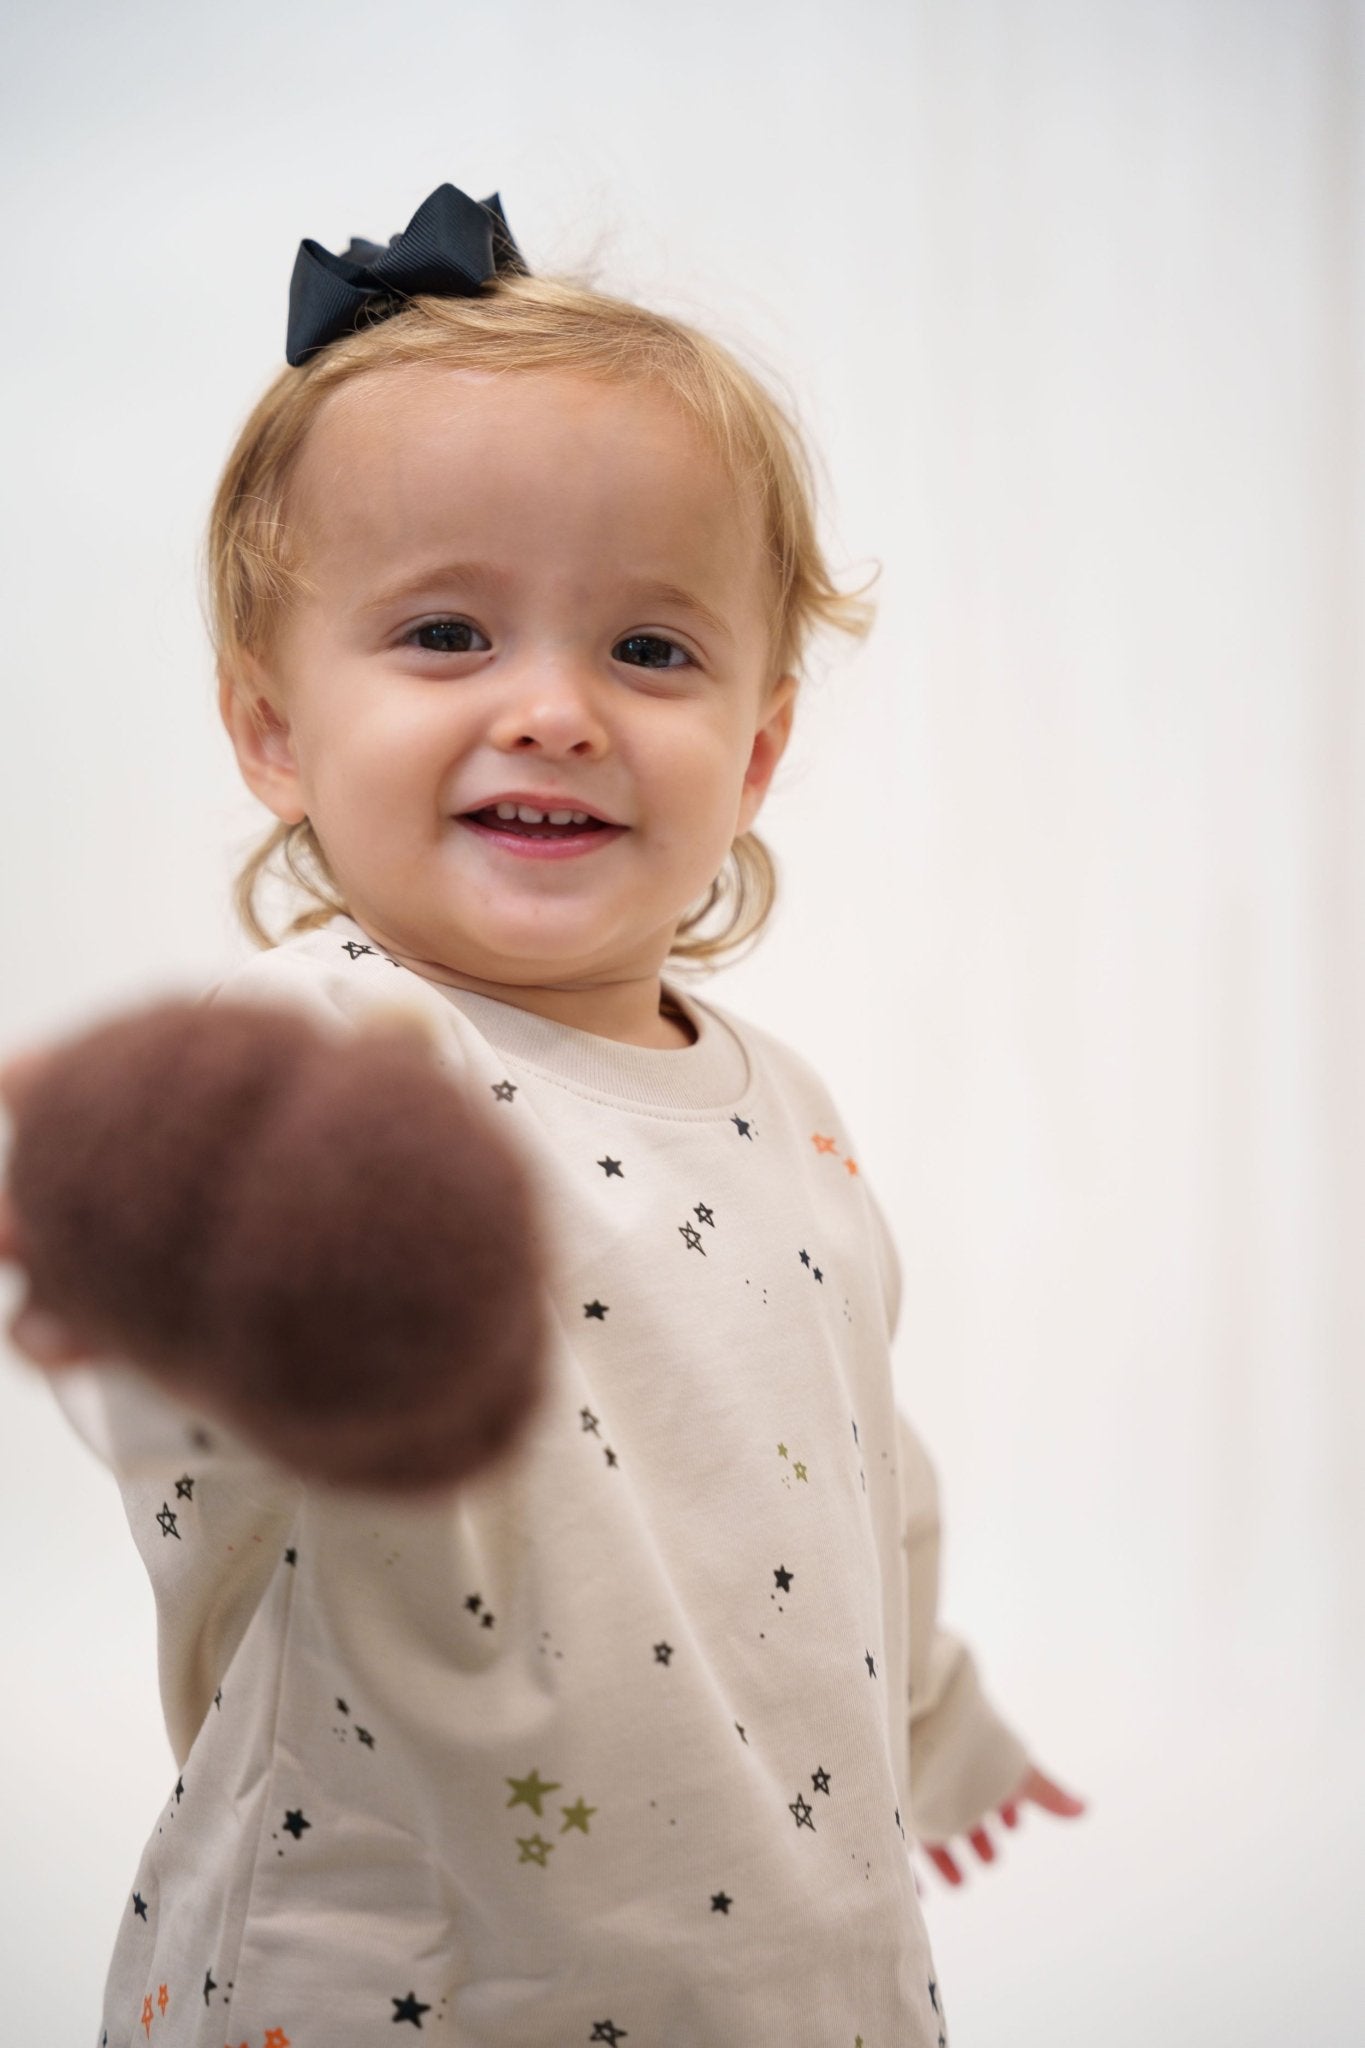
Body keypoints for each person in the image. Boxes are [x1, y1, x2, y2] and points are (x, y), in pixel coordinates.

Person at [0, 182, 1084, 2047]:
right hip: (405, 1959)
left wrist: (935, 1713)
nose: (557, 712)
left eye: (650, 651)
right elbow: (199, 1394)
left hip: (783, 1961)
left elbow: (862, 1475)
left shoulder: (789, 1112)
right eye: (445, 634)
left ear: (755, 750)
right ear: (272, 728)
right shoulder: (337, 1059)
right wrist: (153, 1252)